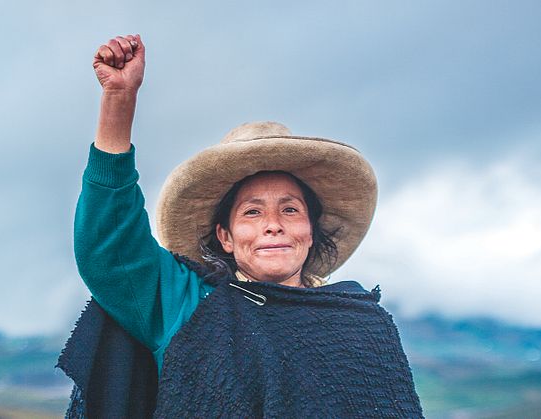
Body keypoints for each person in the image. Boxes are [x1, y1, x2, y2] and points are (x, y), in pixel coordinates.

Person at [57, 34, 424, 418]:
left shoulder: (360, 325)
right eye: (252, 212)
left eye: (290, 210)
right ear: (225, 237)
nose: (273, 226)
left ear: (311, 230)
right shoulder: (189, 306)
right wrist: (119, 100)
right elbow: (111, 249)